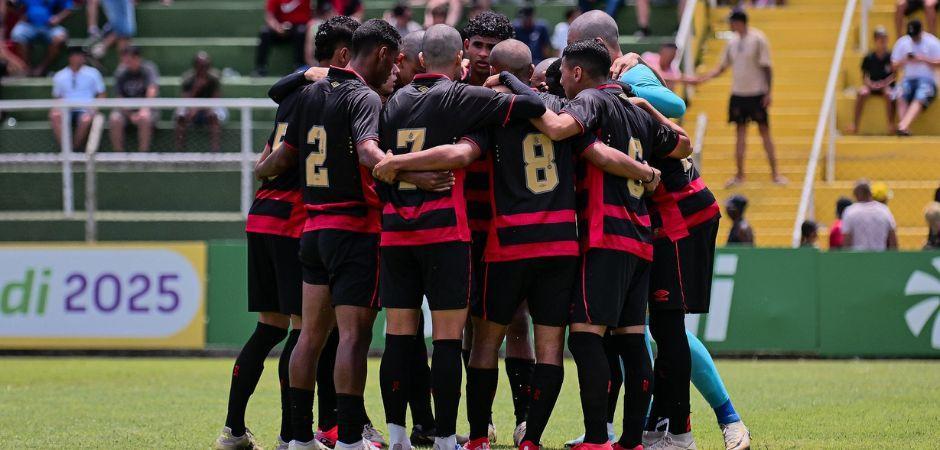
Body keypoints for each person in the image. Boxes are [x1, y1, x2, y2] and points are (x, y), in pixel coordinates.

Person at [375, 24, 545, 450]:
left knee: (398, 334)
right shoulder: (458, 95)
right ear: (459, 59)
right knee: (449, 339)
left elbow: (377, 167)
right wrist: (507, 79)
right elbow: (529, 104)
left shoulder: (392, 101)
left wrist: (400, 165)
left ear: (416, 61)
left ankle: (398, 435)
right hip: (444, 231)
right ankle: (450, 438)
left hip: (395, 231)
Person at [529, 38, 693, 450]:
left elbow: (559, 129)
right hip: (640, 238)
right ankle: (632, 441)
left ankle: (598, 438)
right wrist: (649, 112)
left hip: (604, 236)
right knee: (631, 341)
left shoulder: (593, 102)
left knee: (585, 338)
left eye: (564, 72)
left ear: (578, 72)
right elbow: (685, 143)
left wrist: (514, 87)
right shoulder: (632, 110)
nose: (561, 79)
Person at [254, 19, 411, 450]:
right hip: (354, 230)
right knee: (353, 337)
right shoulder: (363, 96)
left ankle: (300, 438)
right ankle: (348, 438)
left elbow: (282, 156)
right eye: (392, 60)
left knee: (309, 336)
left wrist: (259, 169)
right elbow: (367, 151)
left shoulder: (307, 95)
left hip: (313, 229)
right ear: (380, 53)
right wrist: (402, 166)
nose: (393, 69)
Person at [212, 69, 309, 450]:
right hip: (292, 223)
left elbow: (263, 162)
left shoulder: (285, 110)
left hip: (262, 217)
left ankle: (233, 430)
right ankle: (290, 434)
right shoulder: (318, 108)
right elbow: (273, 161)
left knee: (269, 328)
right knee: (303, 331)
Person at [459, 13, 537, 445]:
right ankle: (481, 418)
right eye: (479, 46)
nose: (485, 55)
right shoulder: (449, 86)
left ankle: (524, 417)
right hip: (463, 222)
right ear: (465, 46)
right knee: (471, 321)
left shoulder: (526, 90)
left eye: (494, 47)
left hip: (509, 220)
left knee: (518, 321)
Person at [691, 9, 786, 186]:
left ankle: (775, 174)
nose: (730, 25)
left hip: (757, 93)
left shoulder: (758, 38)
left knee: (765, 133)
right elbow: (722, 67)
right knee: (740, 134)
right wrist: (703, 79)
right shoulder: (732, 42)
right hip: (738, 94)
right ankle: (740, 175)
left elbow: (767, 67)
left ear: (739, 22)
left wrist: (768, 92)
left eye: (732, 22)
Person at [50, 47, 105, 151]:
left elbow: (101, 94)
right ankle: (66, 150)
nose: (81, 58)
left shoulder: (93, 73)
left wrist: (94, 108)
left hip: (86, 108)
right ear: (71, 57)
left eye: (82, 55)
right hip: (66, 108)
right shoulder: (59, 76)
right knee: (55, 115)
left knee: (85, 119)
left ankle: (74, 150)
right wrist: (56, 108)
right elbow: (57, 97)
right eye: (77, 55)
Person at [891, 20, 940, 136]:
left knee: (921, 94)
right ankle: (904, 127)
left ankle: (902, 125)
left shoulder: (932, 41)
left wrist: (922, 59)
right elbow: (893, 65)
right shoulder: (903, 42)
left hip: (927, 80)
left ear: (921, 31)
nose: (913, 38)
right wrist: (905, 60)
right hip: (907, 79)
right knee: (900, 93)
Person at [109, 46, 158, 152]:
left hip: (146, 108)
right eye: (124, 60)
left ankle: (142, 156)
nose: (125, 63)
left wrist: (144, 110)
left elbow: (152, 90)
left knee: (145, 118)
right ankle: (119, 156)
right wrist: (130, 114)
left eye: (129, 60)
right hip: (126, 110)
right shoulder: (120, 72)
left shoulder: (148, 69)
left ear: (137, 58)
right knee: (115, 119)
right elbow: (119, 97)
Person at [849, 27, 896, 135]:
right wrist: (871, 84)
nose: (883, 41)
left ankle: (891, 125)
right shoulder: (869, 57)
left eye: (884, 38)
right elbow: (865, 76)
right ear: (875, 40)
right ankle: (855, 124)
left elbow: (894, 75)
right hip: (871, 85)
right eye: (880, 38)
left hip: (886, 86)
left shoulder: (891, 56)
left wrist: (884, 84)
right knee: (862, 92)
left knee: (888, 94)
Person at [175, 52, 224, 152]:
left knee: (214, 116)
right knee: (181, 116)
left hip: (209, 109)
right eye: (200, 66)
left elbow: (216, 99)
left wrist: (205, 109)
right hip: (192, 108)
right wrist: (196, 88)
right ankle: (180, 151)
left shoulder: (214, 78)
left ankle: (215, 151)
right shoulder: (188, 78)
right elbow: (184, 100)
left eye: (205, 66)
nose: (203, 69)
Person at [10, 0, 71, 76]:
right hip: (29, 25)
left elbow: (68, 9)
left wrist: (58, 17)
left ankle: (42, 68)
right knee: (17, 34)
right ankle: (27, 68)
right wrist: (18, 11)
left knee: (60, 37)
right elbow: (14, 4)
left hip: (50, 27)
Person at [254, 0, 311, 76]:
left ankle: (299, 66)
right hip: (279, 28)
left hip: (299, 29)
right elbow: (269, 16)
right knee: (264, 32)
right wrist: (278, 28)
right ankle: (260, 67)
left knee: (301, 31)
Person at [842, 180, 899, 251]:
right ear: (870, 193)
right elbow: (893, 239)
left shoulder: (850, 211)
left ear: (855, 194)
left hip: (858, 258)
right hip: (879, 257)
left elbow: (847, 240)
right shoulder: (884, 210)